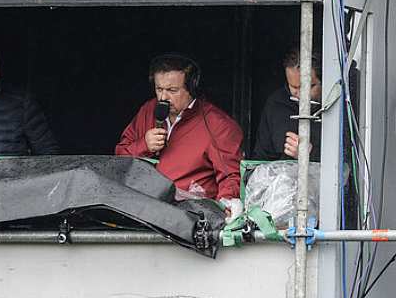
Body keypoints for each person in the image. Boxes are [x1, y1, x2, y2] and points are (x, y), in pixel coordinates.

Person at [115, 53, 243, 209]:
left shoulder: (218, 125)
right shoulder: (148, 110)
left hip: (188, 214)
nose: (163, 97)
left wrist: (226, 208)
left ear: (191, 88)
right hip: (143, 208)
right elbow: (119, 160)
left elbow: (231, 178)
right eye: (159, 89)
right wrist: (143, 145)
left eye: (172, 90)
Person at [252, 47, 322, 161]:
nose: (300, 94)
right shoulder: (275, 106)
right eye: (294, 87)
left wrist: (312, 155)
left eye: (308, 87)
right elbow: (260, 160)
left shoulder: (339, 108)